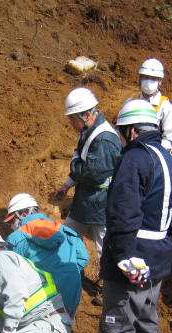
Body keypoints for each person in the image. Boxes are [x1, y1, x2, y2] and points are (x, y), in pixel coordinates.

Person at [88, 99, 172, 333]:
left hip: (133, 256)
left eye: (121, 132)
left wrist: (122, 256)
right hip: (158, 256)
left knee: (117, 322)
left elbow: (122, 213)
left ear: (131, 132)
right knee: (147, 313)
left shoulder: (135, 159)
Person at [54, 87, 122, 262]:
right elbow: (82, 164)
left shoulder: (104, 139)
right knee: (66, 237)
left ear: (85, 115)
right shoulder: (87, 132)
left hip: (101, 203)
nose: (70, 123)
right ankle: (65, 274)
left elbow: (92, 174)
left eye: (72, 118)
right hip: (86, 199)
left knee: (104, 249)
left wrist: (75, 161)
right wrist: (67, 184)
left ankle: (109, 286)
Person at [4, 193, 89, 315]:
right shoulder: (65, 231)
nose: (11, 226)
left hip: (39, 306)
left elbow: (3, 271)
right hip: (69, 301)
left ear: (23, 214)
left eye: (12, 220)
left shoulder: (17, 238)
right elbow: (83, 258)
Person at [136, 58, 172, 152]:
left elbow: (169, 140)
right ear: (140, 78)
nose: (148, 81)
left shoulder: (167, 108)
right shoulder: (130, 103)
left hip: (154, 155)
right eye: (146, 77)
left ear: (160, 81)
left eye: (153, 78)